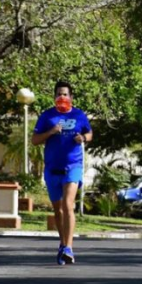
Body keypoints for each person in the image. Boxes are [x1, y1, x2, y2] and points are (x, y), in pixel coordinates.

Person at [32, 81, 92, 265]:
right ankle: (62, 242)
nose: (62, 97)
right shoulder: (47, 116)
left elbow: (89, 134)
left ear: (71, 97)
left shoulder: (79, 115)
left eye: (65, 94)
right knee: (58, 210)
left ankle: (69, 248)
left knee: (68, 205)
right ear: (54, 97)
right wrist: (51, 132)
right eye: (59, 94)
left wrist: (83, 138)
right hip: (52, 168)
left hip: (73, 166)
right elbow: (35, 140)